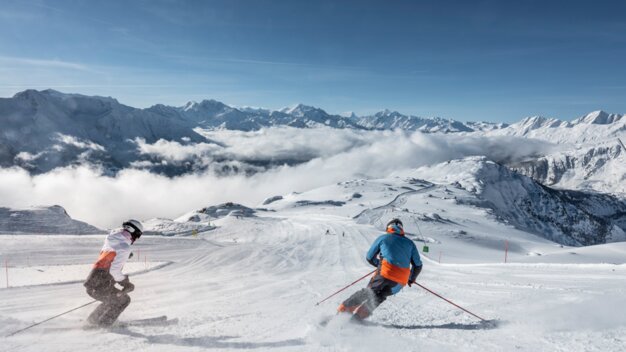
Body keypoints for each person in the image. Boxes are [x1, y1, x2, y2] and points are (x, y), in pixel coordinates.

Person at [337, 218, 422, 320]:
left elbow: (369, 257)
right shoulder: (410, 243)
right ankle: (358, 318)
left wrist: (380, 264)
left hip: (385, 274)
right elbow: (418, 265)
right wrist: (411, 278)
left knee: (368, 293)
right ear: (401, 229)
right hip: (400, 282)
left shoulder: (384, 238)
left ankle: (342, 313)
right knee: (379, 296)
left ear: (389, 228)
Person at [84, 219, 143, 326]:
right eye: (137, 236)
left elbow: (111, 255)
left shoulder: (111, 239)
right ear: (134, 232)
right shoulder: (124, 247)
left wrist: (124, 255)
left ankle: (92, 321)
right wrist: (126, 283)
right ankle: (103, 325)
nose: (136, 239)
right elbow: (114, 270)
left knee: (113, 300)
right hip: (99, 285)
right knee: (124, 300)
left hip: (93, 282)